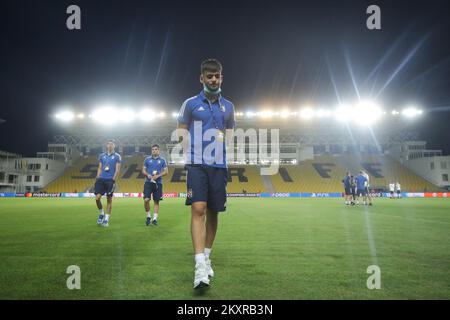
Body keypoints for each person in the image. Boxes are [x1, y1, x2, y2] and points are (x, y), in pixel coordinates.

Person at [177, 58, 235, 289]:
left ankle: (207, 256)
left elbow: (230, 131)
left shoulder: (229, 106)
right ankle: (200, 266)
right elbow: (181, 129)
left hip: (219, 165)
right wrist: (190, 151)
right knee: (198, 209)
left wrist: (222, 147)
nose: (213, 79)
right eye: (209, 76)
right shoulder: (190, 104)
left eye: (217, 75)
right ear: (201, 78)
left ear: (221, 77)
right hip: (196, 164)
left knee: (213, 212)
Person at [94, 140, 122, 227]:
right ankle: (101, 213)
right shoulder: (102, 156)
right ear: (106, 146)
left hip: (110, 180)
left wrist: (113, 179)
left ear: (114, 146)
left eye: (111, 144)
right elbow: (99, 167)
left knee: (109, 200)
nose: (110, 145)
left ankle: (106, 220)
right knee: (97, 198)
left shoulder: (117, 156)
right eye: (108, 144)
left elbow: (117, 169)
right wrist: (98, 177)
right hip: (101, 179)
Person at [142, 144, 168, 226]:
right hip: (148, 182)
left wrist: (158, 176)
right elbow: (143, 171)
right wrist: (147, 175)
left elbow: (166, 172)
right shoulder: (147, 159)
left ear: (158, 150)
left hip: (158, 183)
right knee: (146, 200)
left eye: (156, 149)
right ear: (151, 150)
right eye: (153, 149)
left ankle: (155, 219)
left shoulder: (163, 160)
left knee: (156, 201)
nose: (154, 150)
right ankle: (148, 216)